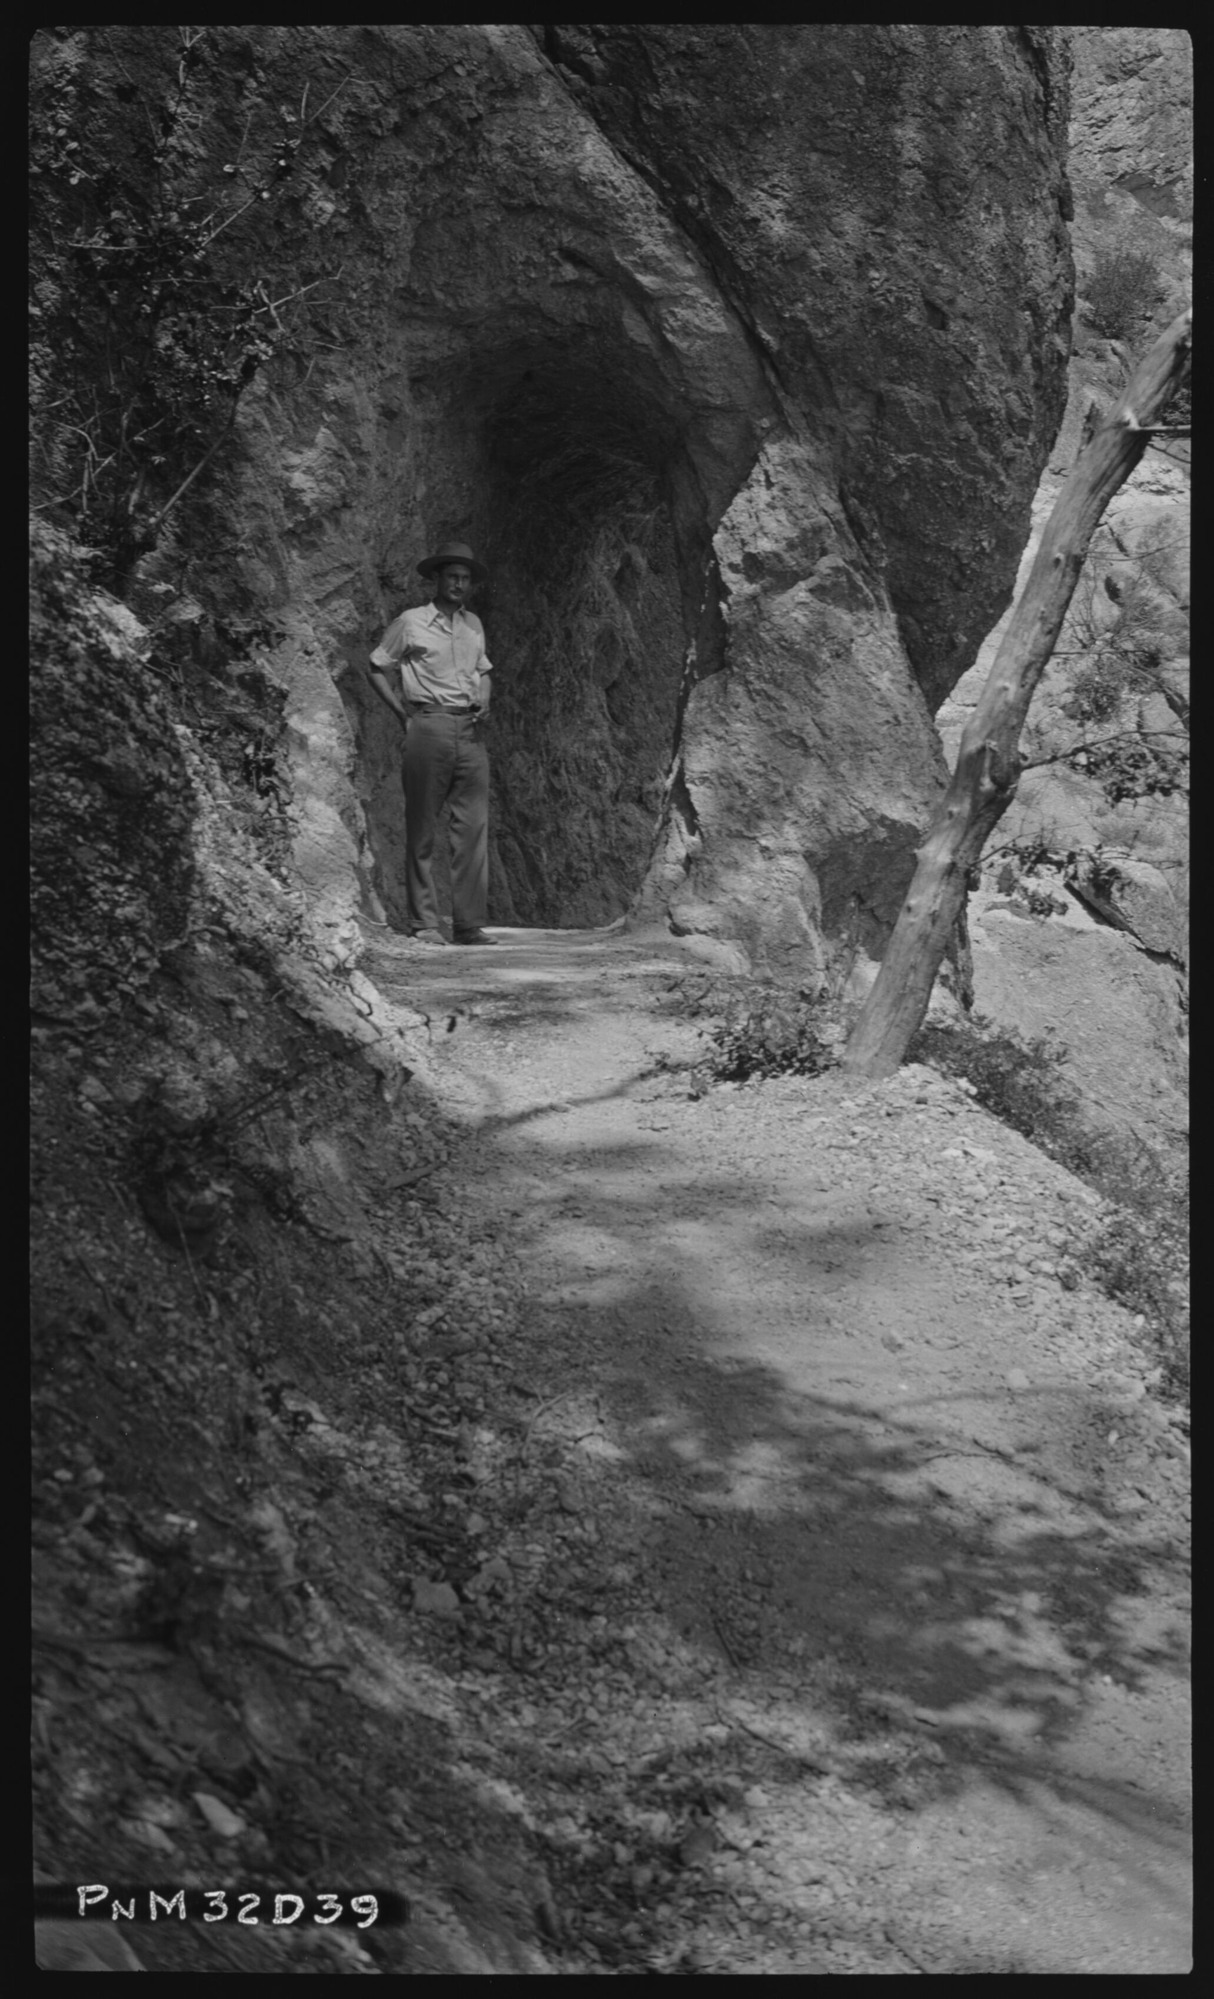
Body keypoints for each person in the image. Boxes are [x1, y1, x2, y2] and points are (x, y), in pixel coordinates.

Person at [368, 541, 497, 946]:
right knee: (422, 825)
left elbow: (484, 670)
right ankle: (424, 922)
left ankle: (468, 924)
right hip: (428, 724)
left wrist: (486, 696)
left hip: (471, 731)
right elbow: (376, 666)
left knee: (473, 827)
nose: (460, 584)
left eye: (465, 579)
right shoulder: (411, 622)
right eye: (453, 577)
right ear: (436, 580)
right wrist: (402, 715)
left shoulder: (473, 623)